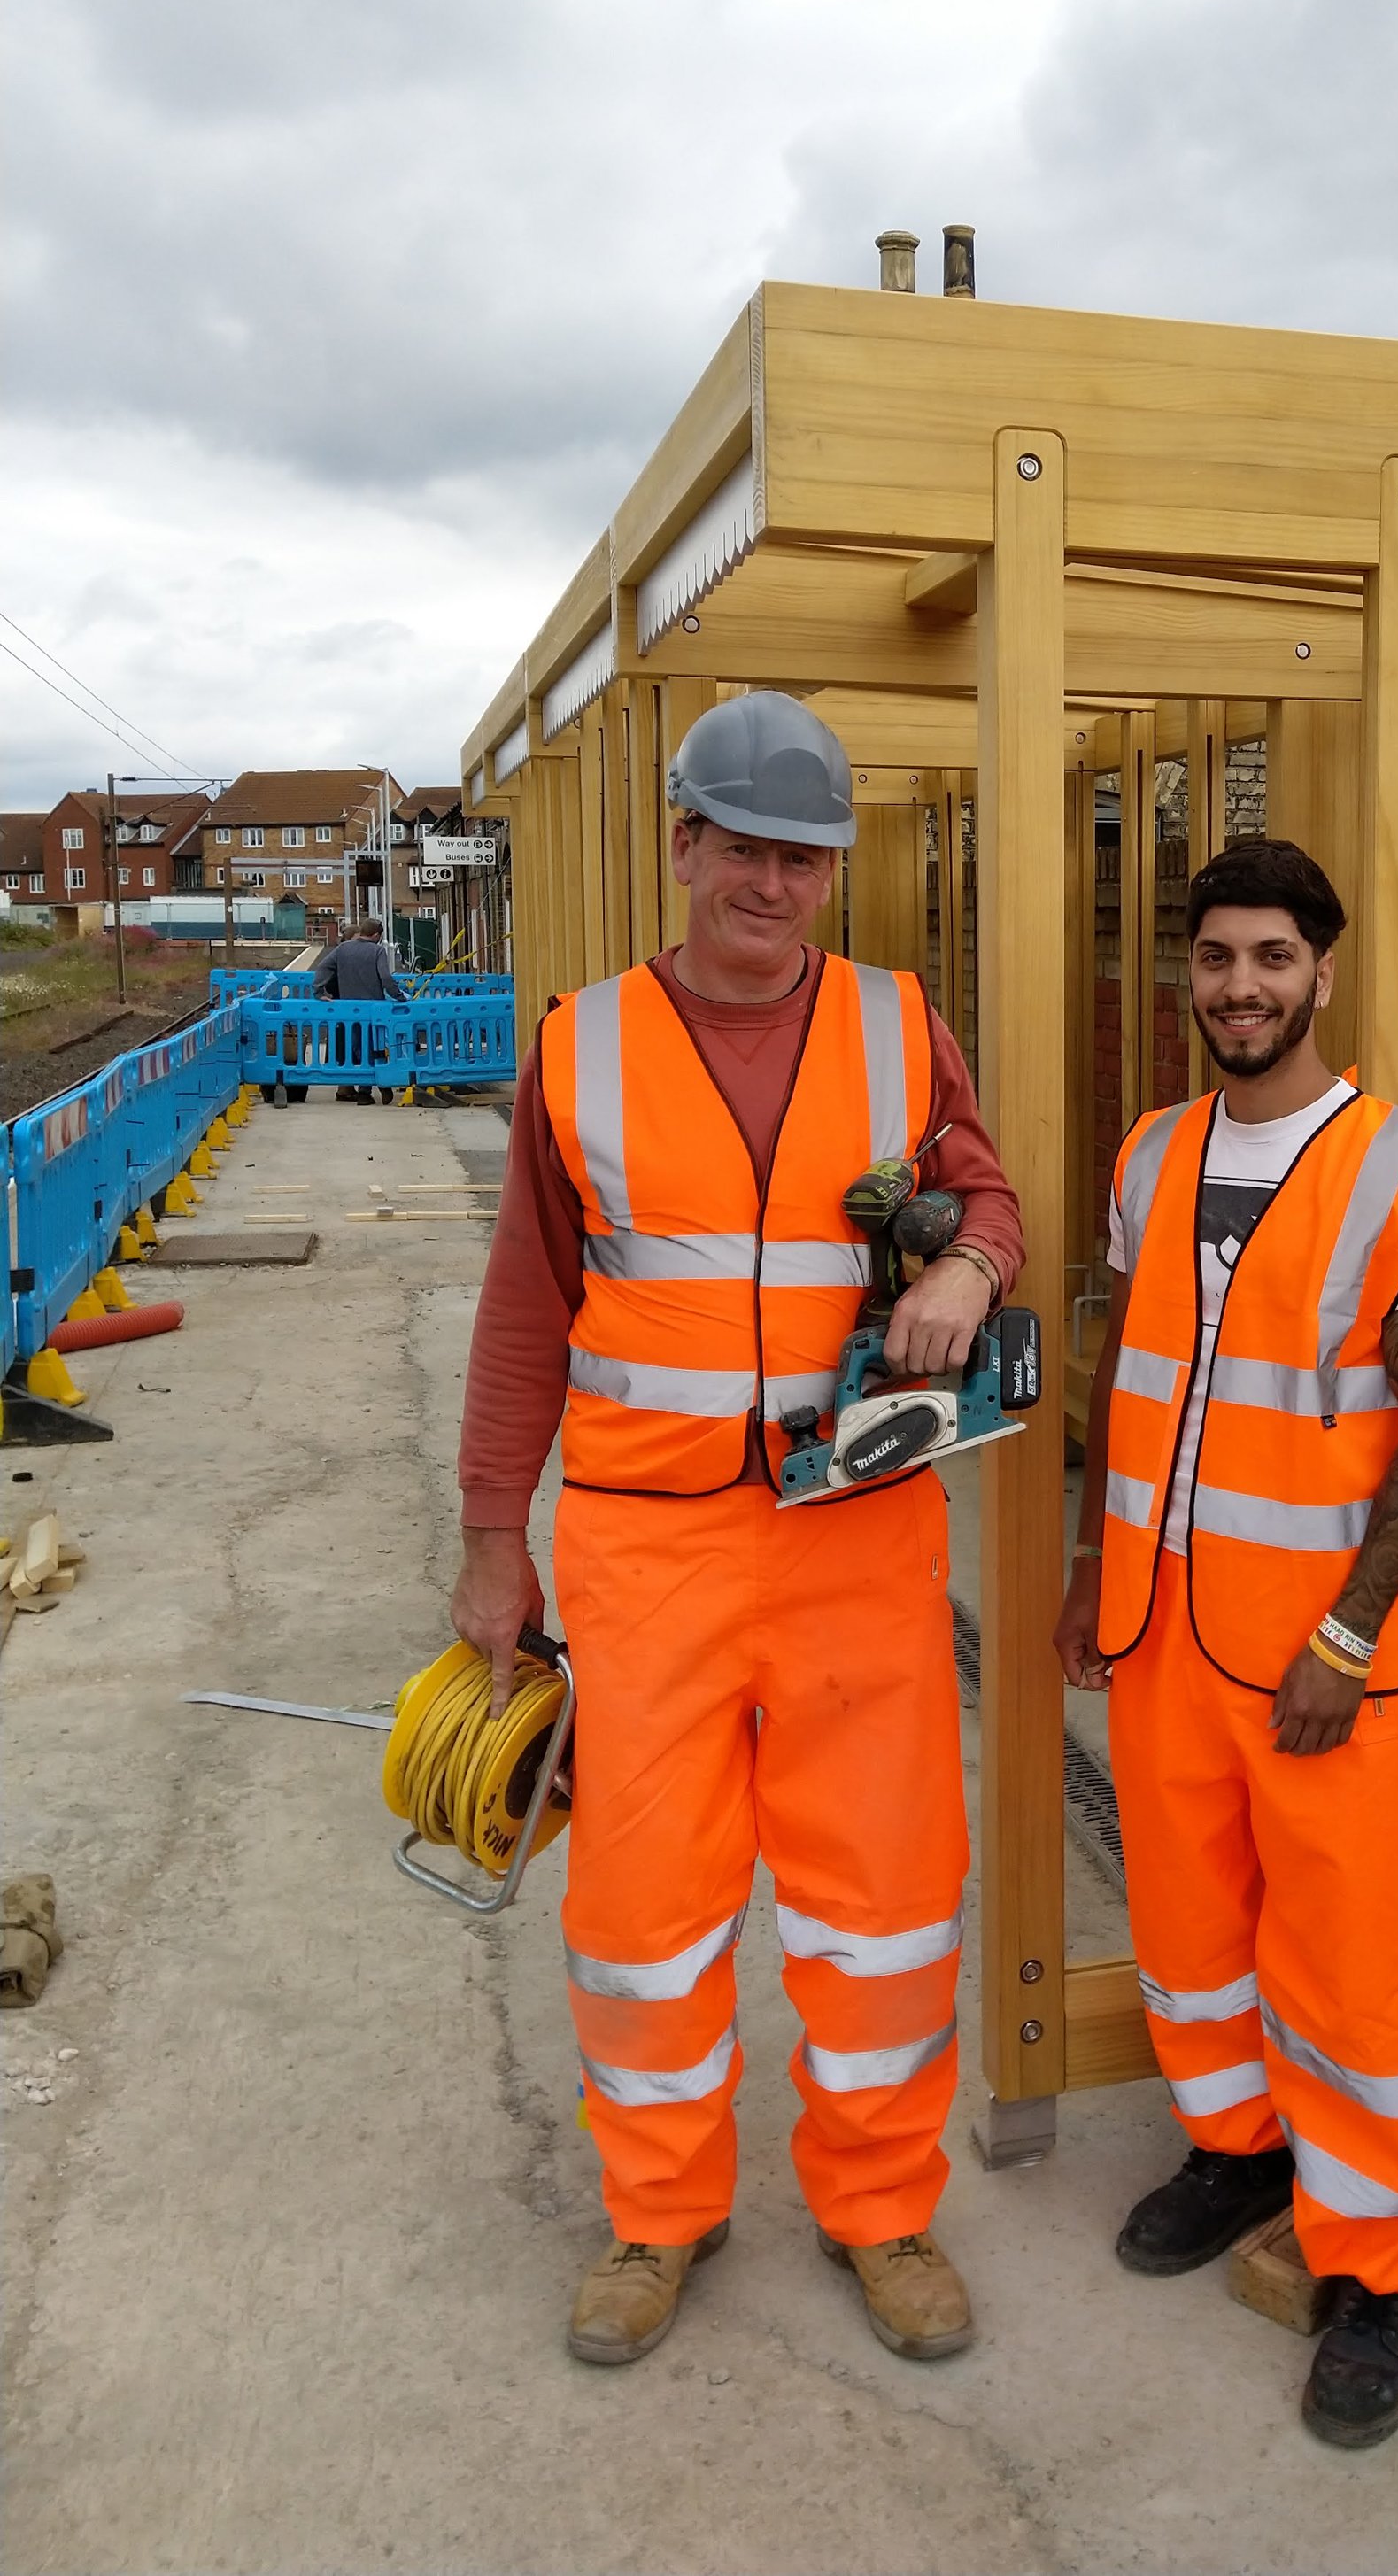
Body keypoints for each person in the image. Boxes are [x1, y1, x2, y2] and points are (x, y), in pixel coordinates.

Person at [453, 690, 1023, 2370]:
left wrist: (968, 1265)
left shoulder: (898, 1025)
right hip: (648, 1549)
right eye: (745, 849)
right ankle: (659, 2211)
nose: (772, 886)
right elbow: (521, 1314)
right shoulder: (583, 1045)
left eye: (806, 857)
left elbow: (984, 1190)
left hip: (857, 1536)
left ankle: (880, 2206)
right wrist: (499, 1533)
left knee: (885, 1895)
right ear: (683, 846)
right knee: (644, 1904)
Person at [1054, 838, 1398, 2453]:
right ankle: (1238, 2145)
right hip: (1168, 1627)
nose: (1243, 984)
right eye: (1218, 956)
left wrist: (1356, 1630)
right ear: (1191, 972)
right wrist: (1086, 1568)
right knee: (1188, 1917)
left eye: (1273, 958)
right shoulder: (1154, 1153)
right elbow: (1126, 1372)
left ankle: (1379, 2259)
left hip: (1325, 1655)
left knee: (1361, 1953)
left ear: (1322, 971)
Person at [313, 913, 408, 1102]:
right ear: (375, 935)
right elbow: (386, 978)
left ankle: (364, 1090)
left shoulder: (343, 949)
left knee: (357, 1048)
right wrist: (400, 997)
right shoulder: (377, 951)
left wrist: (319, 991)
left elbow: (323, 967)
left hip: (349, 1010)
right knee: (375, 1047)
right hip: (374, 1009)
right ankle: (377, 1086)